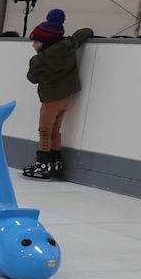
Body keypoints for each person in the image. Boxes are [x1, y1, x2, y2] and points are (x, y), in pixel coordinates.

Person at [24, 9, 92, 180]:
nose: (34, 45)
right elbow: (82, 33)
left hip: (50, 100)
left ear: (45, 43)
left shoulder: (38, 60)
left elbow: (31, 78)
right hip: (65, 99)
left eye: (36, 42)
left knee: (45, 131)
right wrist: (90, 32)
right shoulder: (69, 45)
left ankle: (43, 163)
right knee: (56, 130)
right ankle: (56, 162)